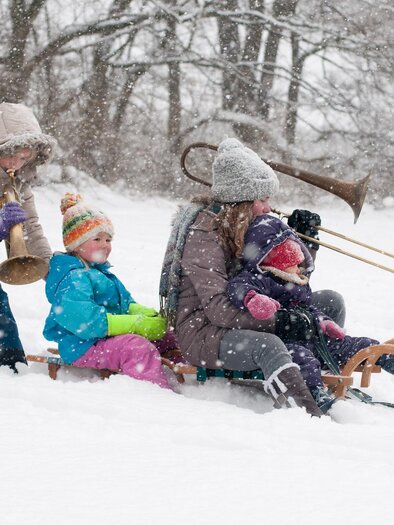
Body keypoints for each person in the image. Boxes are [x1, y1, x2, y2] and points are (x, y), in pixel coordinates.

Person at [160, 138, 348, 417]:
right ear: (241, 200)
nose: (268, 208)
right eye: (262, 200)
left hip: (249, 313)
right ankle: (308, 414)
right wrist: (282, 322)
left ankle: (312, 376)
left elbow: (287, 280)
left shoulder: (245, 224)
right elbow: (219, 310)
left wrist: (303, 242)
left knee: (330, 302)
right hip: (204, 332)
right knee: (268, 344)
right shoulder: (204, 234)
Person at [226, 214, 394, 412]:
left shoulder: (297, 283)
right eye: (295, 264)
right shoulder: (260, 278)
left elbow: (308, 308)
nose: (300, 269)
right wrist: (253, 299)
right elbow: (238, 287)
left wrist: (324, 321)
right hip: (286, 343)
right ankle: (315, 393)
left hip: (315, 338)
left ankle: (386, 358)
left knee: (359, 345)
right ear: (277, 262)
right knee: (302, 359)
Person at [43, 193, 174, 389]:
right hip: (84, 346)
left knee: (170, 336)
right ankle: (153, 393)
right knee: (136, 348)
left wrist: (143, 313)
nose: (105, 245)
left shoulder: (100, 273)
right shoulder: (73, 278)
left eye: (108, 239)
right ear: (76, 245)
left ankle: (194, 378)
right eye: (97, 239)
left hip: (106, 339)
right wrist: (135, 325)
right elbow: (87, 323)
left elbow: (125, 304)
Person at [0, 102, 56, 371]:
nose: (16, 164)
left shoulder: (18, 182)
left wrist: (48, 264)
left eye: (24, 159)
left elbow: (31, 225)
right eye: (11, 156)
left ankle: (11, 365)